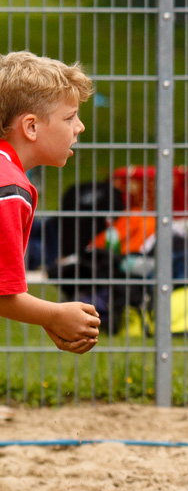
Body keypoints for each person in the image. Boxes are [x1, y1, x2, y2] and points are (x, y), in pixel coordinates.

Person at [0, 51, 100, 355]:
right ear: (31, 127)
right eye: (69, 117)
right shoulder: (9, 188)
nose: (79, 126)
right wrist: (55, 315)